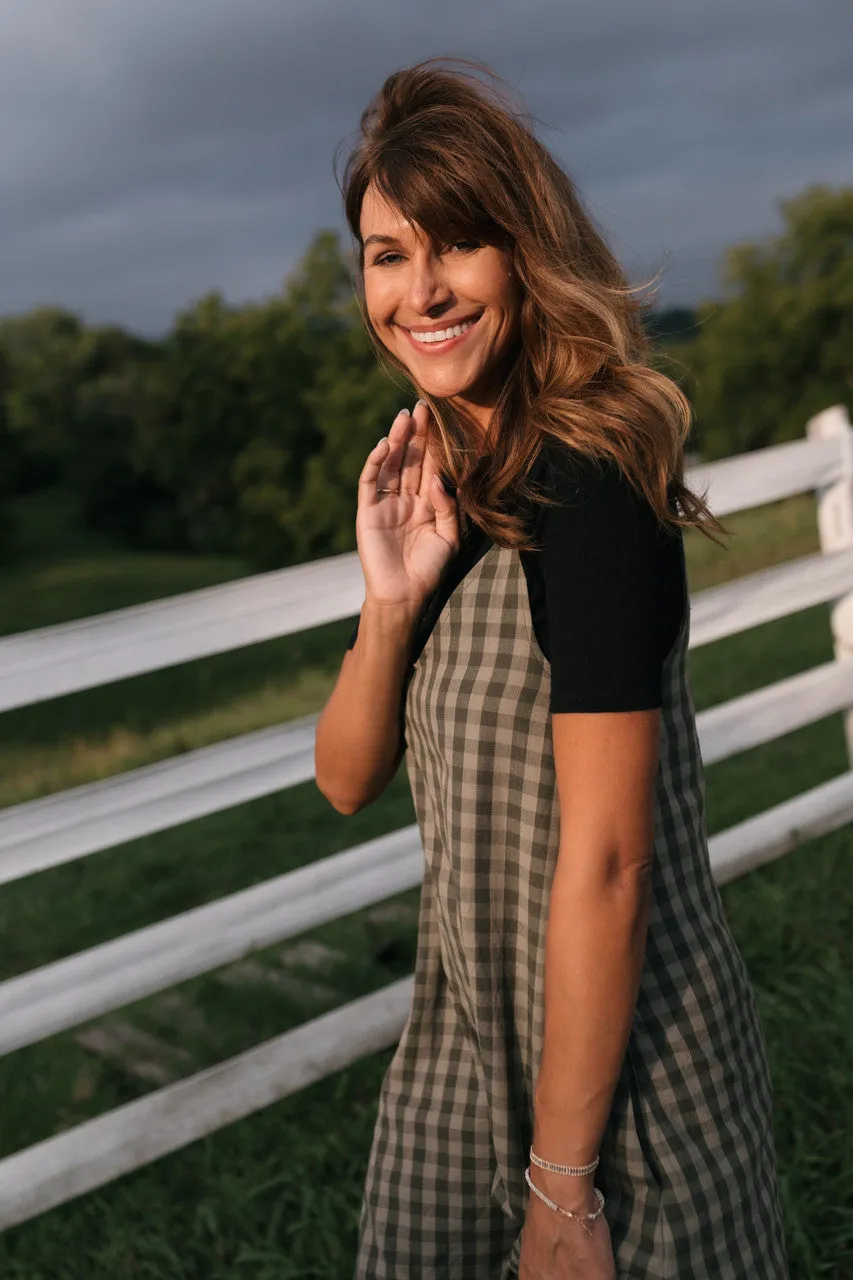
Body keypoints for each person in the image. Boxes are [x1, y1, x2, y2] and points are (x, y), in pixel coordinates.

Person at [314, 57, 789, 1280]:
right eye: (385, 254)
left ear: (524, 253)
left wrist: (565, 1188)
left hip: (615, 1074)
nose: (420, 291)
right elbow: (346, 776)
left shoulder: (585, 480)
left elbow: (613, 859)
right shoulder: (440, 482)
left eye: (457, 246)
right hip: (464, 1040)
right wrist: (389, 595)